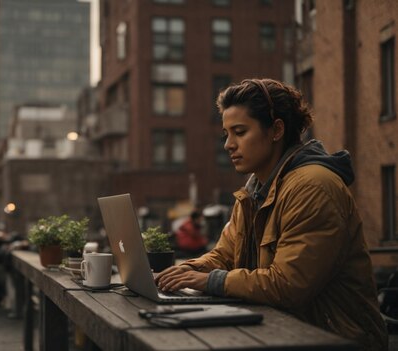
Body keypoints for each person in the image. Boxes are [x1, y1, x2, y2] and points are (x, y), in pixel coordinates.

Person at [155, 79, 387, 350]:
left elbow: (289, 284)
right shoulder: (254, 191)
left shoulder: (313, 186)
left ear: (276, 130)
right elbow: (224, 256)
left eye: (239, 132)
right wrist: (185, 270)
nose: (229, 144)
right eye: (226, 134)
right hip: (278, 333)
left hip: (333, 339)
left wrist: (210, 280)